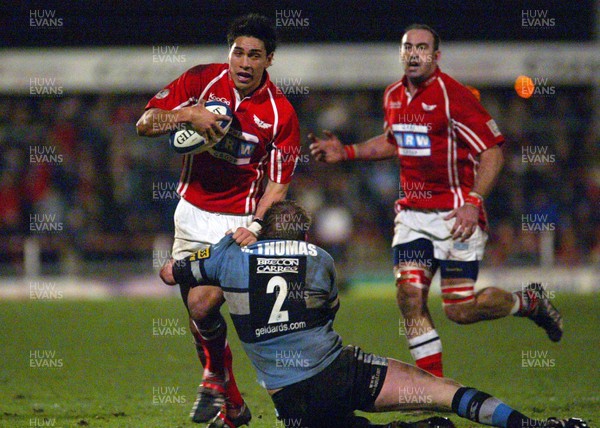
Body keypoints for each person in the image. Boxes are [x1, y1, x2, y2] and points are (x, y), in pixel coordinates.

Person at [159, 200, 586, 428]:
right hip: (341, 372)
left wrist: (214, 251)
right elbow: (328, 310)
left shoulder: (229, 257)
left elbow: (167, 273)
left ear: (262, 231)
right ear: (304, 233)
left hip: (289, 403)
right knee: (447, 393)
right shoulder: (319, 257)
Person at [308, 24, 562, 378]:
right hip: (412, 216)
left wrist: (473, 201)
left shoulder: (454, 97)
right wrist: (347, 150)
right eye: (407, 47)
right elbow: (393, 141)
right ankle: (436, 390)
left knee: (460, 310)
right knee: (410, 297)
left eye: (422, 48)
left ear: (436, 56)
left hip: (456, 216)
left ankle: (528, 302)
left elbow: (492, 152)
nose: (414, 53)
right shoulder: (393, 94)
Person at [136, 14, 300, 426]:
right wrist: (187, 115)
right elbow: (145, 123)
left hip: (237, 223)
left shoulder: (281, 115)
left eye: (255, 55)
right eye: (238, 52)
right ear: (229, 52)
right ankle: (235, 406)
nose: (244, 62)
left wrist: (257, 226)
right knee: (200, 320)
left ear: (270, 60)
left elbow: (278, 186)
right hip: (190, 214)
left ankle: (215, 381)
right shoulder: (200, 80)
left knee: (202, 301)